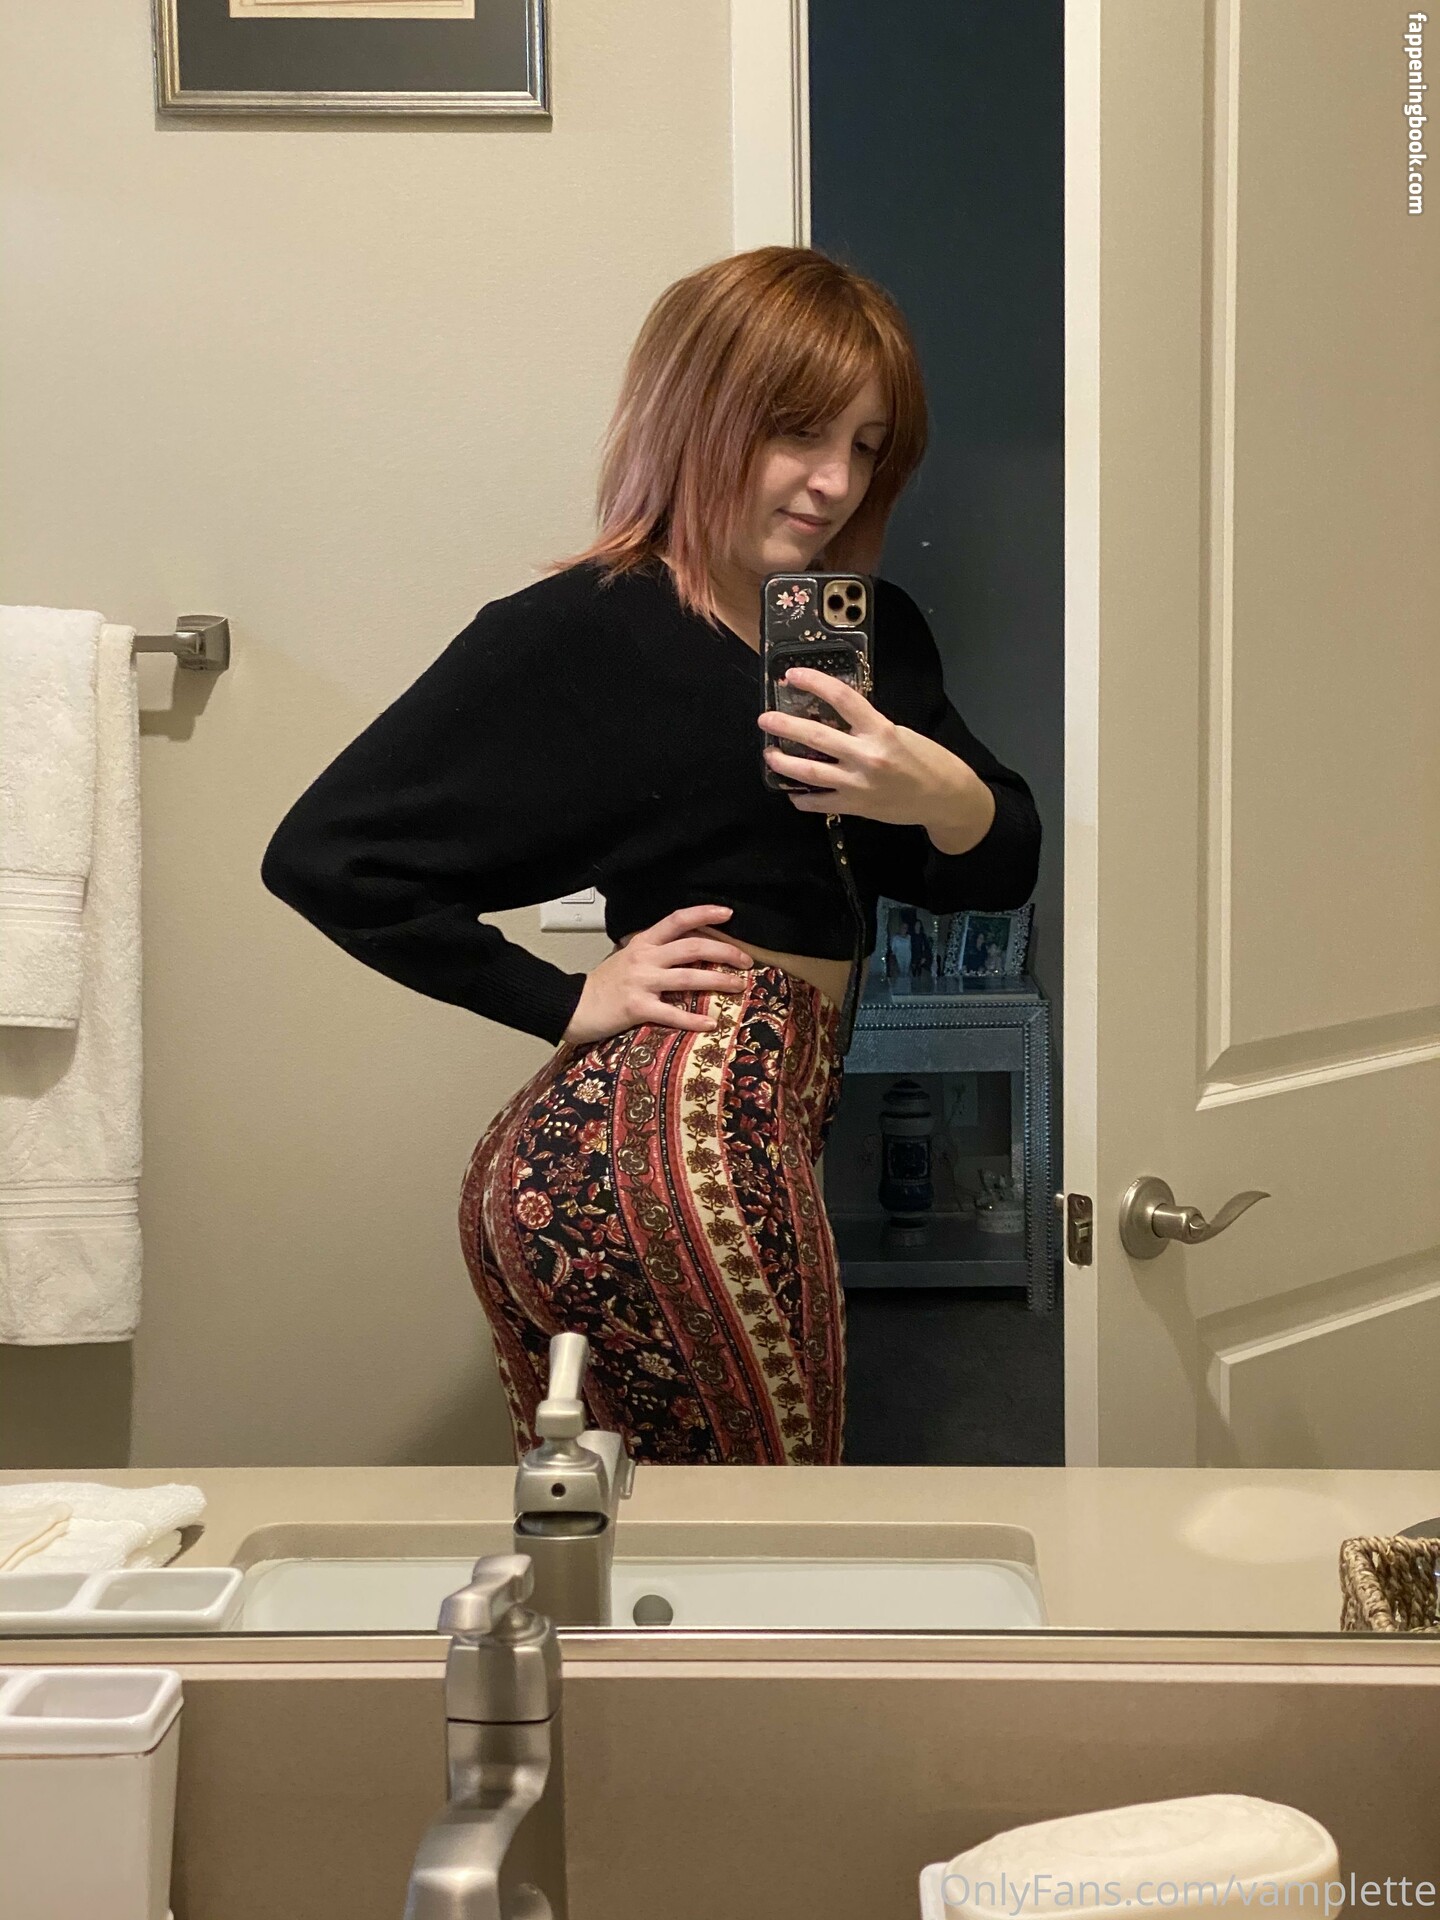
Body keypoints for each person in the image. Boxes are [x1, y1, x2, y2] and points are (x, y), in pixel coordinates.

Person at [260, 245, 1041, 1466]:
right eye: (798, 432)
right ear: (701, 411)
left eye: (868, 446)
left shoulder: (867, 635)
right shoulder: (587, 629)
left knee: (614, 1537)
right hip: (682, 1158)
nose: (835, 481)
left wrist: (937, 794)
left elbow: (999, 865)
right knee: (769, 1532)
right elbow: (326, 854)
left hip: (697, 1145)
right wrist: (563, 998)